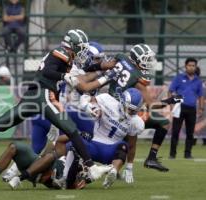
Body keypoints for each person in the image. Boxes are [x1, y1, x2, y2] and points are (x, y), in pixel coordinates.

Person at [0, 29, 111, 183]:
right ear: (73, 45)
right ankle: (92, 167)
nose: (83, 51)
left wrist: (103, 67)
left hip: (32, 96)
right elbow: (47, 71)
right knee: (72, 130)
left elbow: (84, 70)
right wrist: (63, 76)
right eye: (82, 47)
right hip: (44, 95)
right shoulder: (61, 52)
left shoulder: (66, 58)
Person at [72, 43, 182, 172]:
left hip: (107, 103)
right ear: (137, 59)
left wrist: (87, 68)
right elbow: (151, 105)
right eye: (146, 60)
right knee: (159, 123)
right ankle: (149, 158)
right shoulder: (138, 78)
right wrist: (170, 100)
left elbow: (104, 66)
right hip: (123, 109)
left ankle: (107, 162)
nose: (148, 63)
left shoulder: (121, 58)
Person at [54, 88, 144, 189]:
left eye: (134, 111)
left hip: (110, 151)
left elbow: (132, 145)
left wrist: (129, 167)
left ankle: (112, 171)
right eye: (130, 109)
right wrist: (87, 106)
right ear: (122, 101)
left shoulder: (136, 122)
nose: (131, 113)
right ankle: (67, 178)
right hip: (94, 145)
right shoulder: (107, 100)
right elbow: (86, 98)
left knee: (123, 146)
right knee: (77, 142)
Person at [0, 141, 66, 190]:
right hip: (38, 163)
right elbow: (53, 144)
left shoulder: (77, 152)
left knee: (51, 156)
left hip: (50, 174)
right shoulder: (72, 140)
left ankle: (19, 178)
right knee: (13, 147)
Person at [169, 57, 204, 159]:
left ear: (195, 67)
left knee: (190, 133)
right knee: (175, 131)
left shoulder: (198, 81)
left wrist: (201, 108)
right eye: (189, 65)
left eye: (193, 66)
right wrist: (171, 105)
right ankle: (172, 154)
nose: (191, 67)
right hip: (179, 107)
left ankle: (187, 154)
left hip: (192, 109)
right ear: (185, 66)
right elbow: (170, 91)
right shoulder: (179, 78)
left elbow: (201, 95)